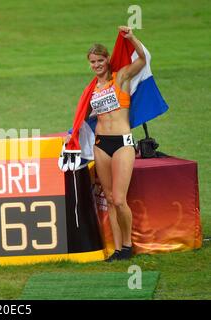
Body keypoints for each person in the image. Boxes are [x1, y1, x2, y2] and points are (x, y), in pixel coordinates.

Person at [88, 26, 146, 261]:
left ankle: (128, 244)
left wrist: (132, 38)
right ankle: (117, 250)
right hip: (101, 143)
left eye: (100, 60)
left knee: (120, 200)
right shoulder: (91, 88)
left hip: (122, 142)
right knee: (110, 199)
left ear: (107, 59)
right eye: (92, 62)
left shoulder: (120, 77)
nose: (96, 65)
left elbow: (142, 59)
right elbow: (86, 114)